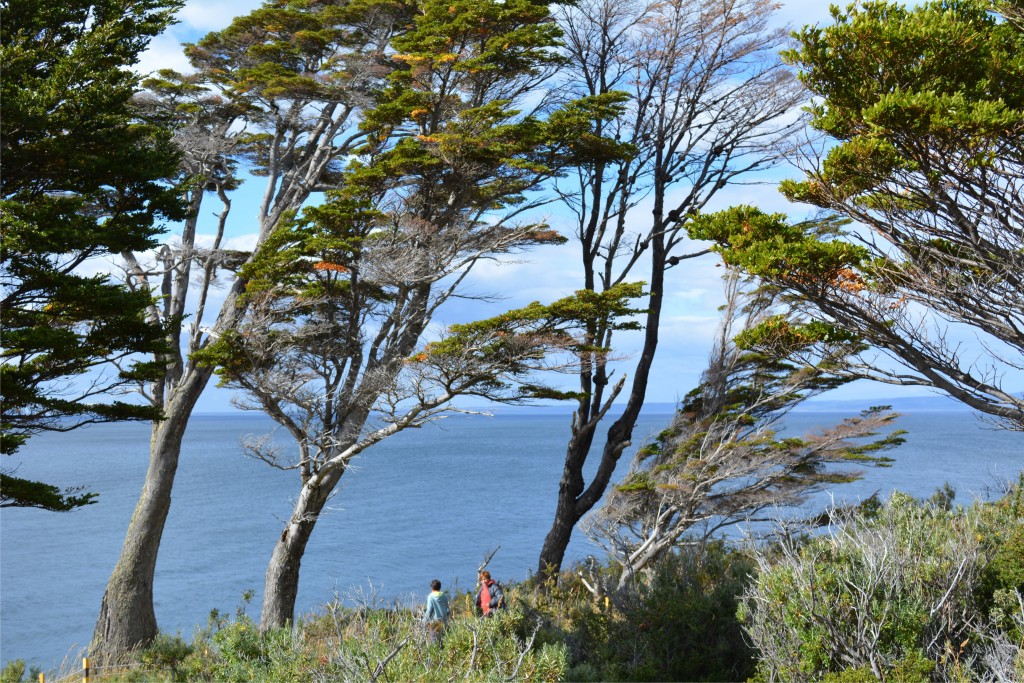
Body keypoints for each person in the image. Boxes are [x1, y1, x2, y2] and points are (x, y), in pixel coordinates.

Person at [423, 579, 451, 644]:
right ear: (440, 587)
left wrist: (424, 621)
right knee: (444, 643)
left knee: (434, 643)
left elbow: (429, 611)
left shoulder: (431, 597)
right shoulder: (444, 596)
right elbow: (448, 610)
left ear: (432, 587)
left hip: (435, 624)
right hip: (444, 622)